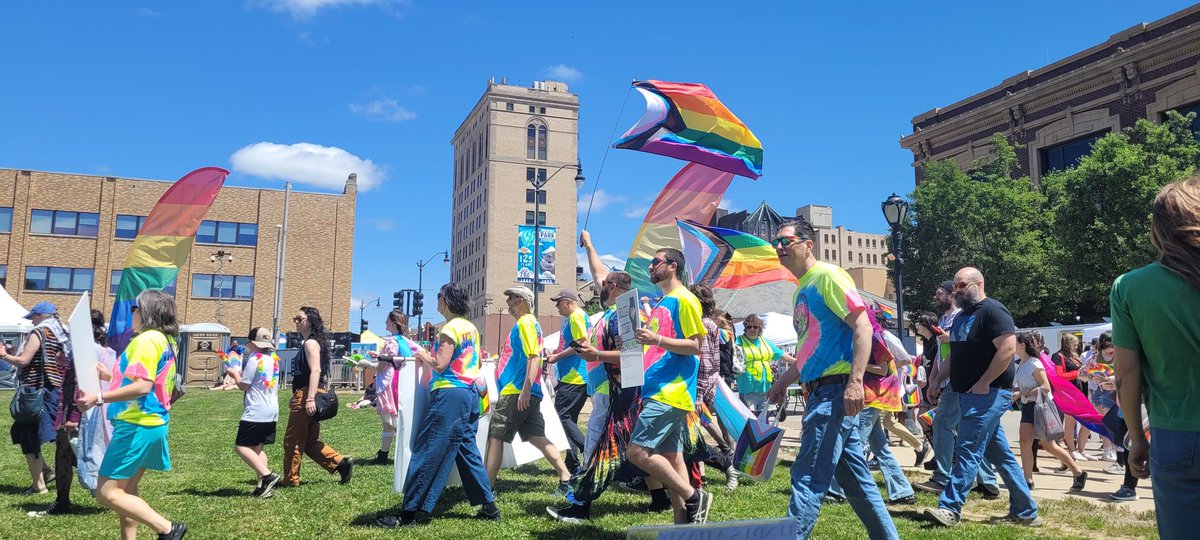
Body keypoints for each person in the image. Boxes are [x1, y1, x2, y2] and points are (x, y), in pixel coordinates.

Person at [763, 220, 898, 540]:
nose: (779, 247)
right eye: (775, 243)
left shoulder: (827, 276)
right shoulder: (802, 288)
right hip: (822, 390)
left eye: (786, 241)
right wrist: (783, 384)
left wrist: (855, 382)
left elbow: (863, 327)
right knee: (857, 484)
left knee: (808, 475)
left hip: (835, 392)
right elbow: (812, 351)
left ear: (808, 245)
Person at [1112, 177, 1200, 539]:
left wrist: (1137, 438)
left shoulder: (1131, 286)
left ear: (1159, 227)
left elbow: (1127, 373)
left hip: (1176, 436)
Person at [920, 268, 1039, 528]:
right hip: (968, 394)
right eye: (955, 287)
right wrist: (937, 380)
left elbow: (1007, 349)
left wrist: (984, 381)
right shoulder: (962, 317)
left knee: (967, 449)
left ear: (978, 283)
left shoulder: (994, 311)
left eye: (961, 285)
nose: (956, 290)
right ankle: (1026, 511)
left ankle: (950, 508)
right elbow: (956, 355)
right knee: (1001, 455)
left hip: (990, 393)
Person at [376, 283, 497, 527]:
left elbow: (440, 364)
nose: (437, 301)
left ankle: (408, 513)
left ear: (448, 300)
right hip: (469, 394)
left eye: (440, 297)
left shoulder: (450, 328)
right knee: (467, 452)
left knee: (428, 449)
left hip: (450, 395)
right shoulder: (470, 327)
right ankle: (490, 507)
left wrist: (422, 356)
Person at [75, 289, 186, 540]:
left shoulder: (145, 341)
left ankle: (168, 529)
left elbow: (142, 386)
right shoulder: (165, 341)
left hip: (136, 426)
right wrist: (109, 376)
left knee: (107, 493)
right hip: (153, 425)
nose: (132, 313)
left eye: (134, 309)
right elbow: (150, 381)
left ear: (146, 312)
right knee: (126, 492)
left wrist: (98, 398)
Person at [547, 229, 642, 523]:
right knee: (633, 451)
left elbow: (633, 358)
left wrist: (596, 355)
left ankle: (579, 506)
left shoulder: (627, 311)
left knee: (598, 450)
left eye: (604, 283)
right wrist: (590, 244)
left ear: (613, 286)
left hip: (617, 393)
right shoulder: (617, 307)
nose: (598, 284)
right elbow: (599, 270)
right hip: (613, 391)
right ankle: (668, 495)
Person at [627, 248, 713, 525]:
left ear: (672, 266)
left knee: (637, 452)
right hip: (659, 389)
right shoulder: (664, 302)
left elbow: (697, 345)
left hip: (671, 391)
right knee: (673, 461)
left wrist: (657, 340)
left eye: (655, 262)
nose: (650, 267)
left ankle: (693, 495)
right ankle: (683, 526)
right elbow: (656, 347)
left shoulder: (684, 299)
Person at [915, 281, 1001, 499]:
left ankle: (943, 476)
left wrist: (949, 339)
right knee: (967, 432)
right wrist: (934, 379)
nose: (936, 296)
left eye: (939, 292)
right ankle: (988, 481)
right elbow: (940, 355)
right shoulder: (944, 319)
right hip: (950, 380)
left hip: (962, 379)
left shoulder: (963, 316)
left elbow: (966, 347)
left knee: (943, 423)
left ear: (952, 294)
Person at [486, 286, 573, 494]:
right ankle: (566, 476)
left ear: (522, 301)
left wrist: (524, 390)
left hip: (517, 392)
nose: (507, 302)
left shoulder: (525, 323)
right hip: (526, 391)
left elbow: (534, 357)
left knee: (496, 436)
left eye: (511, 298)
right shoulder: (527, 324)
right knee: (536, 436)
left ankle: (486, 489)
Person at [826, 310, 917, 507]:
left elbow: (883, 369)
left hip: (874, 396)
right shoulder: (858, 336)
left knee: (852, 443)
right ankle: (902, 491)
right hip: (870, 397)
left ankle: (836, 491)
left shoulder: (874, 338)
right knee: (880, 448)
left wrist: (857, 365)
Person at [282, 306, 352, 487]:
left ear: (311, 321)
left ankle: (290, 480)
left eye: (300, 319)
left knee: (293, 440)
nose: (296, 322)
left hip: (308, 394)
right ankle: (340, 463)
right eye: (295, 319)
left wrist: (309, 398)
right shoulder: (311, 343)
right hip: (306, 392)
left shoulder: (310, 343)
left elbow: (316, 370)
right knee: (309, 440)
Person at [3, 302, 65, 497]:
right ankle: (45, 473)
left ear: (42, 316)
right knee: (30, 433)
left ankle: (39, 485)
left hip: (35, 391)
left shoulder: (40, 332)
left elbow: (24, 361)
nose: (32, 321)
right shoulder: (58, 333)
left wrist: (4, 355)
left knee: (28, 434)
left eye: (34, 317)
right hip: (52, 390)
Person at [1012, 331, 1087, 491]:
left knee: (1049, 446)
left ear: (1022, 345)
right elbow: (1024, 385)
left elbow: (1045, 387)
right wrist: (1017, 391)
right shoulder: (1022, 365)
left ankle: (1078, 472)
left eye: (1014, 342)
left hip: (1040, 407)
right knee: (1024, 442)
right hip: (1027, 407)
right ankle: (1028, 480)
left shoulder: (1034, 363)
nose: (1011, 345)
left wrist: (1023, 393)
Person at [688, 284, 737, 492]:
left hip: (698, 387)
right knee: (696, 429)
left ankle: (727, 458)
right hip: (701, 385)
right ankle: (702, 476)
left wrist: (698, 395)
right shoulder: (707, 323)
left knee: (697, 427)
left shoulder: (703, 324)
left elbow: (706, 363)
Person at [228, 327, 282, 498]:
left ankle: (267, 476)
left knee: (241, 446)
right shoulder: (274, 360)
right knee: (258, 448)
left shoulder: (254, 360)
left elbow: (244, 385)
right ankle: (263, 487)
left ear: (252, 343)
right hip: (271, 410)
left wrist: (235, 375)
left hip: (256, 410)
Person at [362, 310, 421, 463]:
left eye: (387, 321)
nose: (385, 323)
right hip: (406, 383)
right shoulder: (406, 341)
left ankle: (383, 455)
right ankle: (403, 453)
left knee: (389, 422)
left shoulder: (390, 342)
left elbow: (381, 367)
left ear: (394, 323)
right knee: (402, 420)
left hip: (390, 384)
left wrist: (366, 363)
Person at [75, 309, 119, 498]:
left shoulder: (90, 351)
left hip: (95, 401)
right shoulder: (110, 351)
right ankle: (106, 485)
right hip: (109, 401)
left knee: (94, 445)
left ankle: (99, 487)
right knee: (105, 444)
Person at [545, 289, 590, 472]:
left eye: (558, 302)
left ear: (567, 302)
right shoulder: (575, 318)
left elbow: (582, 343)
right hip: (572, 376)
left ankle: (590, 450)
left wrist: (557, 357)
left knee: (562, 416)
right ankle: (573, 464)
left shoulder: (576, 316)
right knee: (568, 419)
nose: (556, 307)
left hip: (575, 376)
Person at [736, 314, 797, 417]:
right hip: (747, 386)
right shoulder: (738, 341)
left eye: (755, 327)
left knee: (763, 418)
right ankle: (748, 433)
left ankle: (761, 433)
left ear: (760, 328)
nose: (752, 329)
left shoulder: (764, 341)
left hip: (765, 387)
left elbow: (781, 355)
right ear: (745, 328)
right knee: (748, 418)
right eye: (749, 326)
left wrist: (801, 363)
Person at [1049, 334, 1084, 456]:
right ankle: (1072, 450)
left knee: (1074, 421)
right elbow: (1059, 375)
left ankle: (1076, 449)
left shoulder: (1073, 356)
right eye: (1074, 344)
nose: (1076, 346)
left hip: (1077, 391)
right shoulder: (1057, 356)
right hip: (1066, 393)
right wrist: (1078, 373)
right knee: (1070, 421)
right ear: (1067, 343)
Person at [1085, 332, 1118, 462]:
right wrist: (1093, 376)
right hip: (1104, 392)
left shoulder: (1119, 354)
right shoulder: (1096, 356)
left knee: (1119, 422)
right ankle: (1108, 450)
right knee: (1108, 422)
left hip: (1118, 391)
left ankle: (1117, 451)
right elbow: (1084, 372)